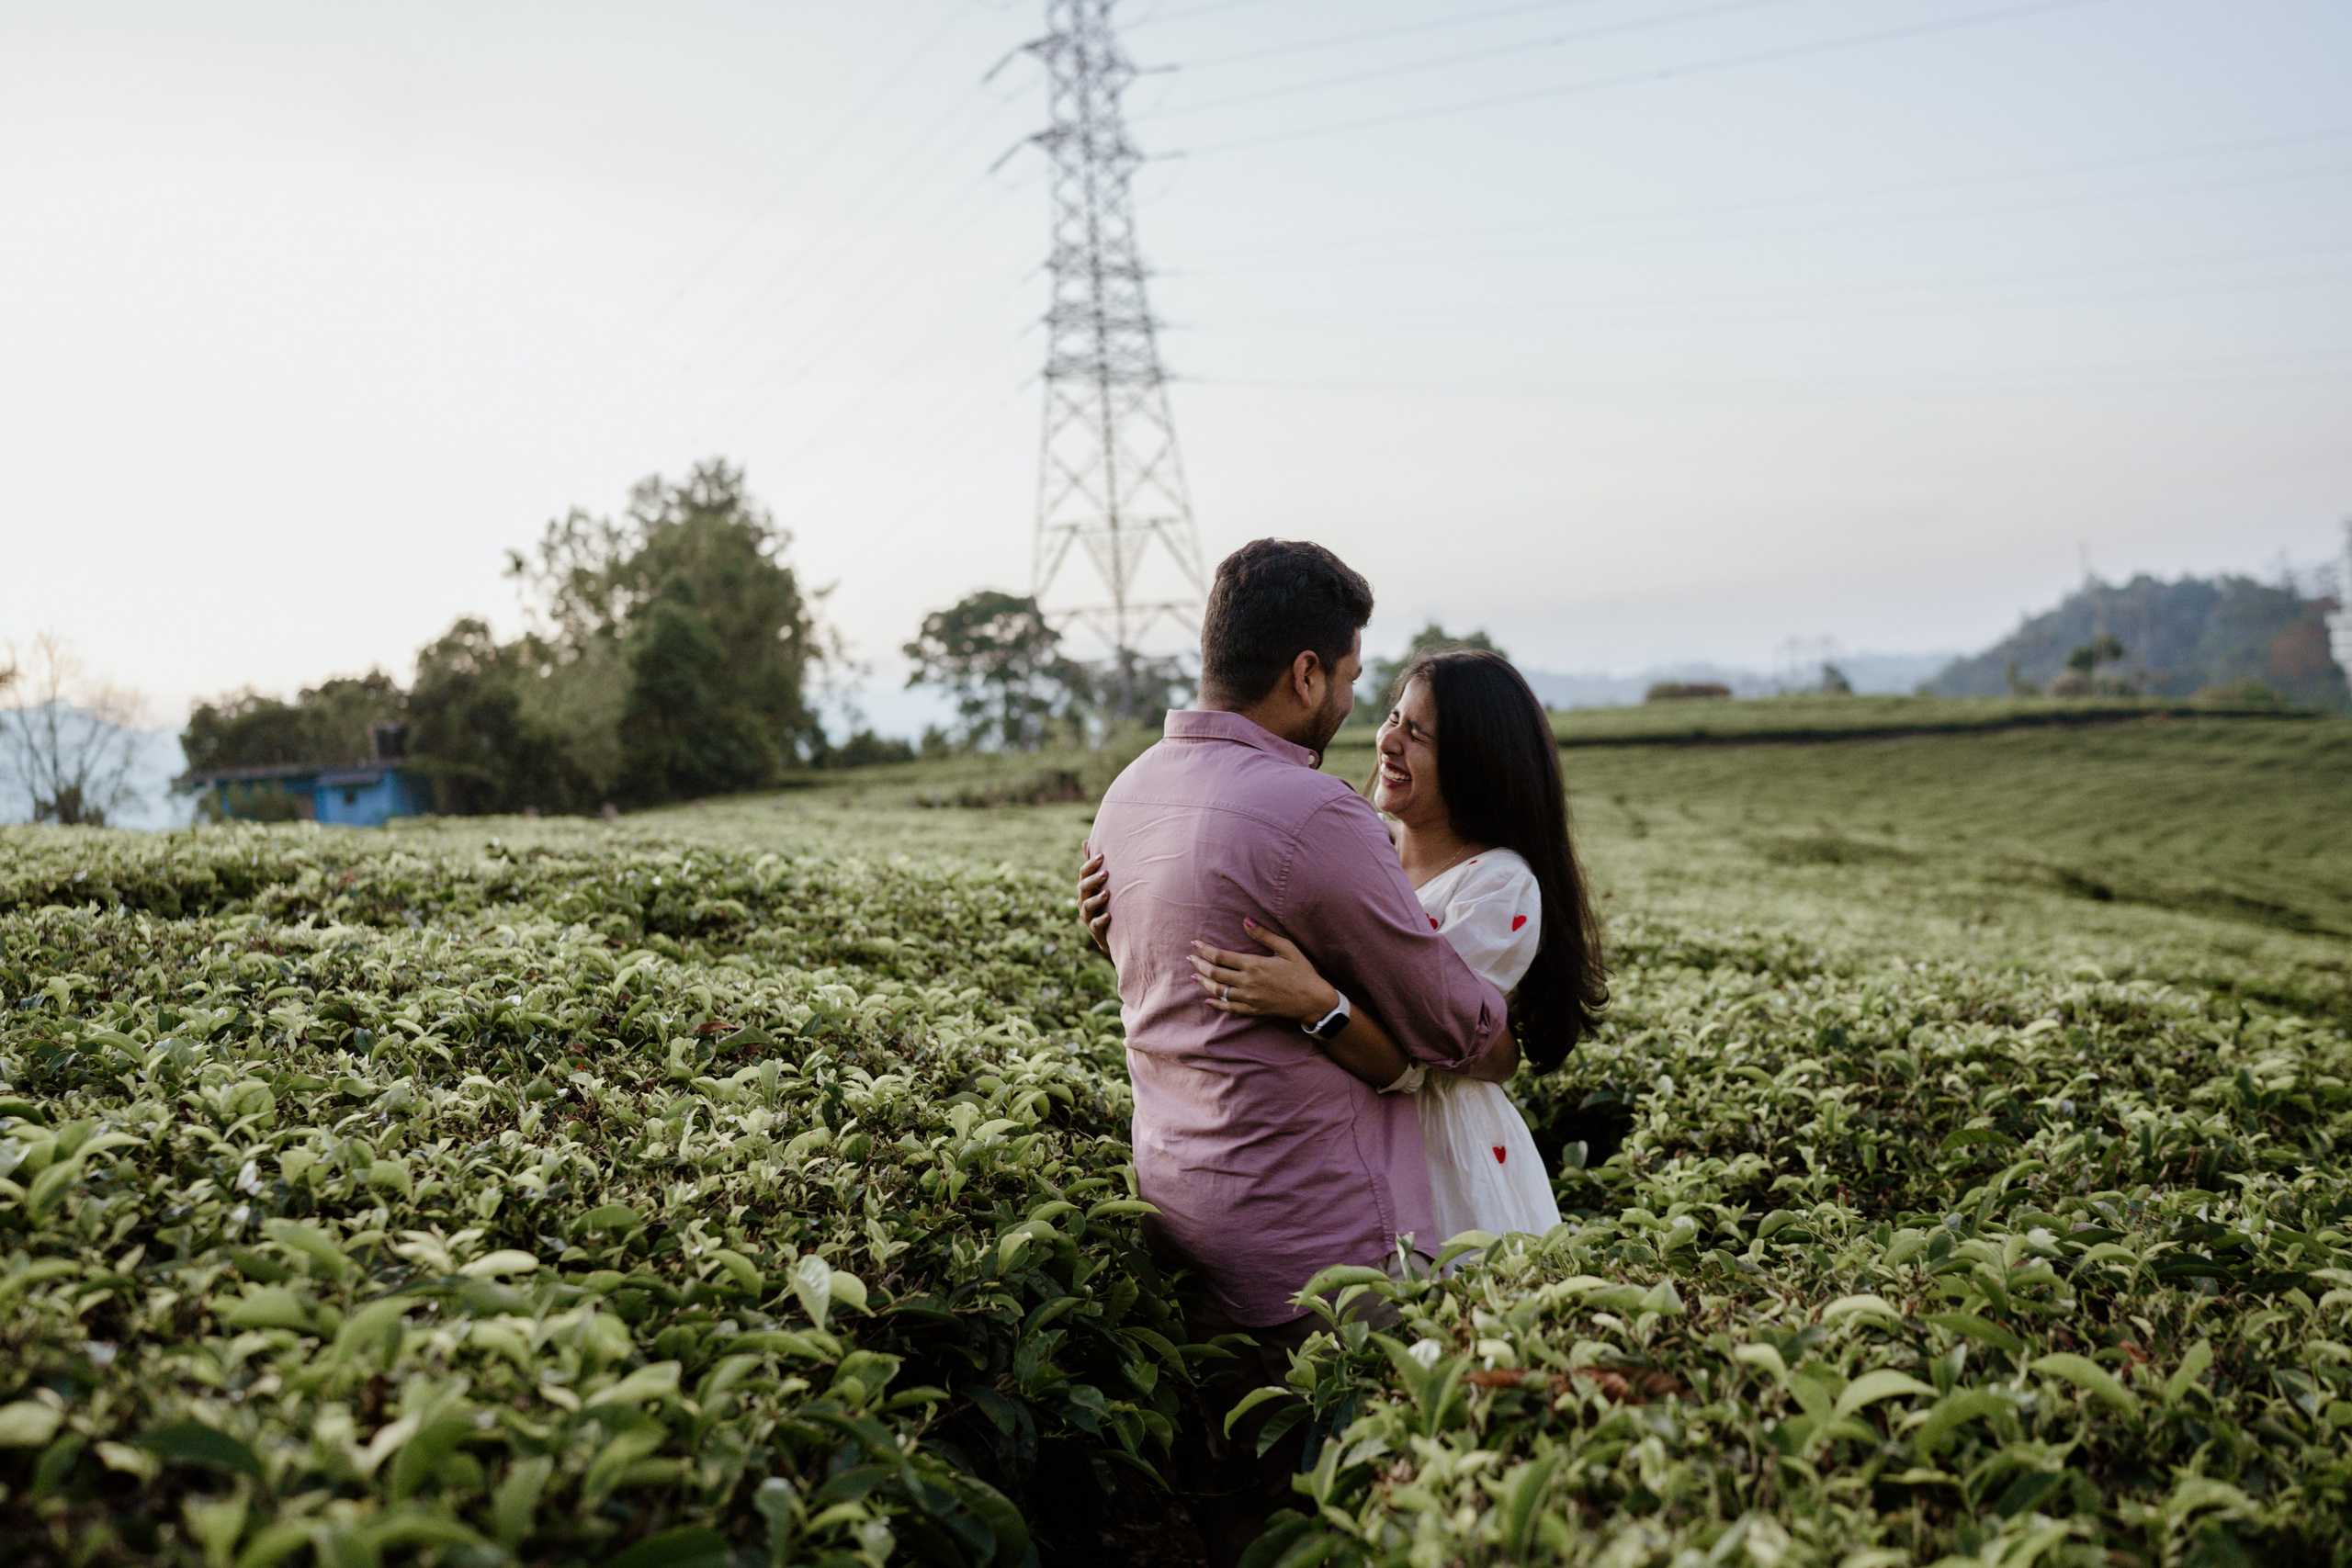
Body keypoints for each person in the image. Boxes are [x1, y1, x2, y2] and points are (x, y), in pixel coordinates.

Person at [1080, 538, 1514, 1566]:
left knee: (1234, 1500)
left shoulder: (1128, 793)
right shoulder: (1315, 812)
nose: (1359, 707)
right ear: (1305, 672)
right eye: (1356, 676)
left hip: (1182, 1209)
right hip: (1315, 1248)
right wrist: (1503, 1032)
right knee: (1342, 1505)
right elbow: (1458, 1027)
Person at [1167, 648, 1608, 1247]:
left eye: (1418, 733)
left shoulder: (1498, 884)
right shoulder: (1360, 845)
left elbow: (1424, 1040)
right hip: (1349, 1136)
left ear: (1473, 764)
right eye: (1394, 718)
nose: (1389, 741)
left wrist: (1317, 1000)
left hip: (1443, 1150)